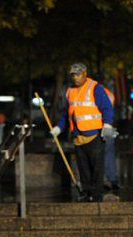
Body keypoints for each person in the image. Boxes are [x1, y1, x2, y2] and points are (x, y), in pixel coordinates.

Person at [51, 63, 115, 202]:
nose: (75, 78)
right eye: (73, 75)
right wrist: (59, 128)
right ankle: (87, 193)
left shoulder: (95, 88)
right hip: (78, 136)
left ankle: (97, 195)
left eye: (78, 74)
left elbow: (107, 108)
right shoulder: (70, 91)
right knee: (83, 169)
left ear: (85, 74)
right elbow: (66, 114)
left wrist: (108, 124)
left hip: (95, 135)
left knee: (96, 168)